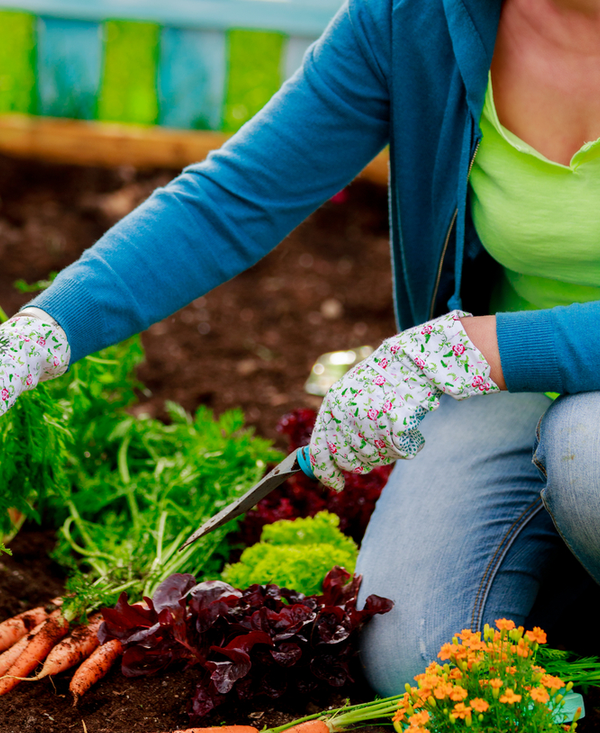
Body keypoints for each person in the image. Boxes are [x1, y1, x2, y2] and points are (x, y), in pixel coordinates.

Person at [3, 0, 600, 697]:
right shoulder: (419, 18)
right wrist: (42, 334)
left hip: (514, 373)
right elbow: (236, 196)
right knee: (414, 664)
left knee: (584, 453)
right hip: (500, 383)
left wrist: (478, 346)